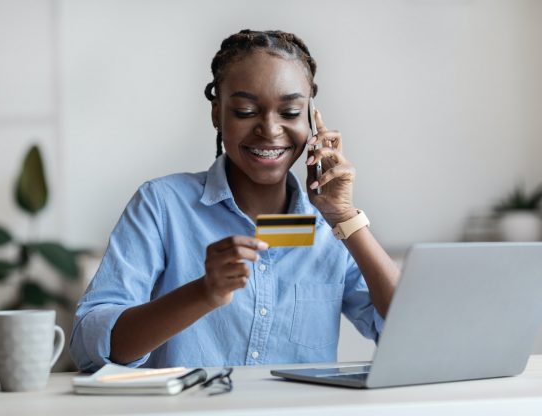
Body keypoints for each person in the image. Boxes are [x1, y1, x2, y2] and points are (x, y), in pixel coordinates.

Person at [70, 29, 400, 373]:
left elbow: (408, 333)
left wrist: (346, 217)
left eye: (289, 112)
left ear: (312, 120)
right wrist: (204, 293)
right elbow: (91, 347)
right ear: (217, 113)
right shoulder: (161, 206)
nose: (270, 130)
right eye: (245, 111)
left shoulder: (332, 229)